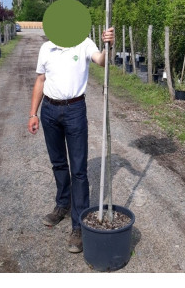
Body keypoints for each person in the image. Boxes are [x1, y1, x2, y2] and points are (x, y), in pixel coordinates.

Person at [28, 27, 115, 253]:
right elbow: (40, 80)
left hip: (75, 109)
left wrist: (108, 45)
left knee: (78, 170)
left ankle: (79, 224)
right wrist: (33, 114)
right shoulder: (47, 48)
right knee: (58, 163)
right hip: (49, 110)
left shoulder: (84, 43)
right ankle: (62, 204)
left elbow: (102, 62)